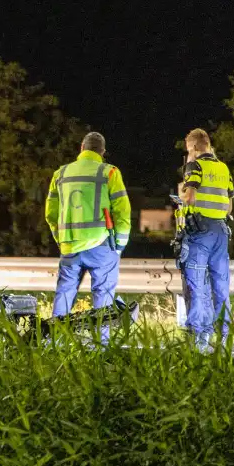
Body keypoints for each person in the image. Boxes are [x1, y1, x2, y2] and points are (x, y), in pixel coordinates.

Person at [44, 131, 132, 344]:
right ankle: (100, 347)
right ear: (102, 152)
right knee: (103, 297)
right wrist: (119, 245)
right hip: (101, 244)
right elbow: (123, 212)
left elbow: (51, 214)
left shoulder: (61, 173)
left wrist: (61, 239)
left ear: (81, 148)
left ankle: (54, 342)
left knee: (65, 293)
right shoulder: (109, 173)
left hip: (70, 246)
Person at [178, 128, 234, 349]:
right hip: (221, 230)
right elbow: (229, 205)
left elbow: (190, 197)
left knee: (197, 284)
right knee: (220, 285)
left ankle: (199, 338)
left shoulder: (195, 166)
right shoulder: (223, 168)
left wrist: (181, 196)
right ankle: (224, 336)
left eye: (188, 150)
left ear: (193, 147)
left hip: (200, 230)